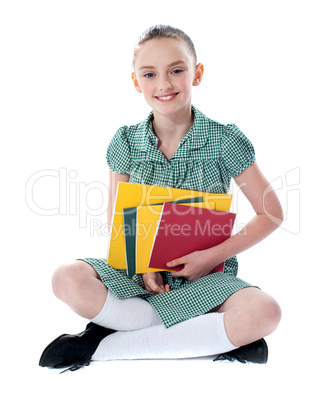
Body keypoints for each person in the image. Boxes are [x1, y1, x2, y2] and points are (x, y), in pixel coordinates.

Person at [39, 25, 283, 372]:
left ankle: (102, 346)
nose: (164, 84)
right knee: (65, 278)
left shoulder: (224, 140)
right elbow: (116, 217)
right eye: (150, 74)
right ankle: (207, 337)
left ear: (196, 74)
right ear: (137, 82)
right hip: (139, 276)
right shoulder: (126, 141)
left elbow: (271, 213)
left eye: (176, 70)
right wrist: (142, 265)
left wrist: (208, 257)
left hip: (206, 279)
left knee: (266, 312)